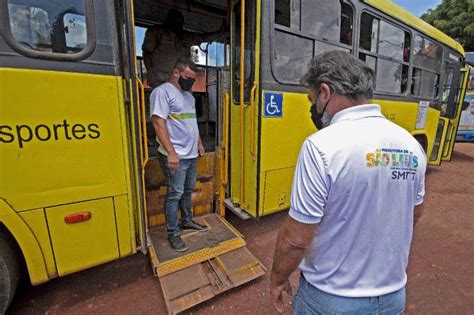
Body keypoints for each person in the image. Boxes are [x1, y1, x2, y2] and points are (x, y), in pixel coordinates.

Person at [270, 51, 427, 314]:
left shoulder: (320, 146)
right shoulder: (410, 144)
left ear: (325, 92)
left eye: (312, 100)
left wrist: (277, 278)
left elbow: (296, 239)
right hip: (392, 296)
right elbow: (414, 211)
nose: (313, 108)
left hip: (331, 298)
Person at [150, 57, 208, 252]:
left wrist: (199, 144)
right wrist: (171, 153)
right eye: (188, 77)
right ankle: (173, 233)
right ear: (176, 73)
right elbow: (159, 123)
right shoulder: (162, 93)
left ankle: (187, 221)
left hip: (190, 154)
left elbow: (192, 123)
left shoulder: (189, 96)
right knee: (174, 193)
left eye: (193, 79)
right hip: (175, 155)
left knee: (187, 190)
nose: (191, 82)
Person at [142, 8, 225, 88]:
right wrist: (150, 72)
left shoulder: (186, 36)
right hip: (160, 79)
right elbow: (146, 52)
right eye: (175, 22)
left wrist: (219, 33)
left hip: (181, 81)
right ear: (169, 20)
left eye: (180, 23)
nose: (179, 26)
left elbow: (202, 37)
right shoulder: (156, 31)